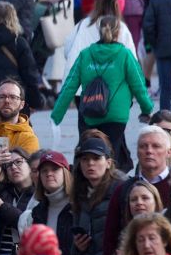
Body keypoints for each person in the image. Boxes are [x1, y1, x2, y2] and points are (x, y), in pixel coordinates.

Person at [51, 15, 152, 170]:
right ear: (118, 32)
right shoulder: (124, 55)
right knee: (112, 155)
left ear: (99, 31)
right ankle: (113, 187)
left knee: (91, 152)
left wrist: (56, 116)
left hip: (90, 113)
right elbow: (139, 85)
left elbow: (69, 86)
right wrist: (147, 109)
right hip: (117, 115)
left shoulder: (85, 54)